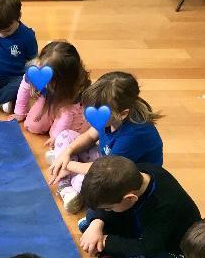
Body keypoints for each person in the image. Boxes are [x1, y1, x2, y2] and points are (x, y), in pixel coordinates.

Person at [78, 156, 201, 258]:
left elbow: (148, 247)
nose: (106, 210)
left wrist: (106, 242)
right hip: (141, 227)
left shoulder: (166, 205)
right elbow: (103, 206)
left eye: (108, 208)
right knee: (93, 216)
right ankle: (106, 253)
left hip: (172, 250)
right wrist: (96, 223)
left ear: (130, 198)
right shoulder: (135, 174)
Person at [48, 71, 162, 213]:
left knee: (83, 182)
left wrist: (68, 164)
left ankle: (67, 188)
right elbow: (90, 136)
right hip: (107, 159)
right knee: (65, 136)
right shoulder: (111, 115)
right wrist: (67, 152)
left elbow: (106, 171)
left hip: (118, 175)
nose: (89, 119)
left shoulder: (133, 136)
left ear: (123, 114)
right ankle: (64, 175)